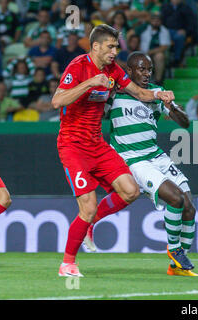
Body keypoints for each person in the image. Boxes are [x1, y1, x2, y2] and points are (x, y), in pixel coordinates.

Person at [52, 24, 174, 277]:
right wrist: (88, 83)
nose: (115, 51)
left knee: (131, 190)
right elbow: (57, 101)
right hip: (73, 146)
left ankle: (92, 222)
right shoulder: (78, 67)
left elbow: (140, 92)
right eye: (111, 46)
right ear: (95, 46)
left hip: (97, 144)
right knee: (87, 206)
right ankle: (68, 263)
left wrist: (160, 94)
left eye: (117, 46)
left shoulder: (113, 70)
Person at [101, 52, 198, 276]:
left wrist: (170, 106)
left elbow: (185, 123)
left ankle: (177, 264)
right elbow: (97, 114)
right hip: (134, 160)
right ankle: (174, 250)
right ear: (130, 71)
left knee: (189, 206)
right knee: (175, 198)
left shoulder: (156, 92)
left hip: (156, 156)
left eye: (149, 70)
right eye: (141, 69)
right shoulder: (115, 94)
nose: (146, 74)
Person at [137, 13, 171, 84]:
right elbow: (134, 37)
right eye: (153, 20)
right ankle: (142, 82)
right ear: (150, 21)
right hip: (143, 52)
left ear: (160, 21)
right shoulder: (144, 28)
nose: (155, 22)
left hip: (157, 54)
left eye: (157, 20)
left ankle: (158, 81)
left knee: (159, 56)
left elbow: (164, 47)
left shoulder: (164, 30)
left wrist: (150, 52)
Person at [161, 0, 196, 67]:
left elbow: (191, 22)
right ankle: (165, 61)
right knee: (162, 38)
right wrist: (164, 31)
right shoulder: (165, 7)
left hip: (179, 31)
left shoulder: (186, 8)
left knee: (179, 37)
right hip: (166, 31)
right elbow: (162, 20)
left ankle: (177, 59)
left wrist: (186, 30)